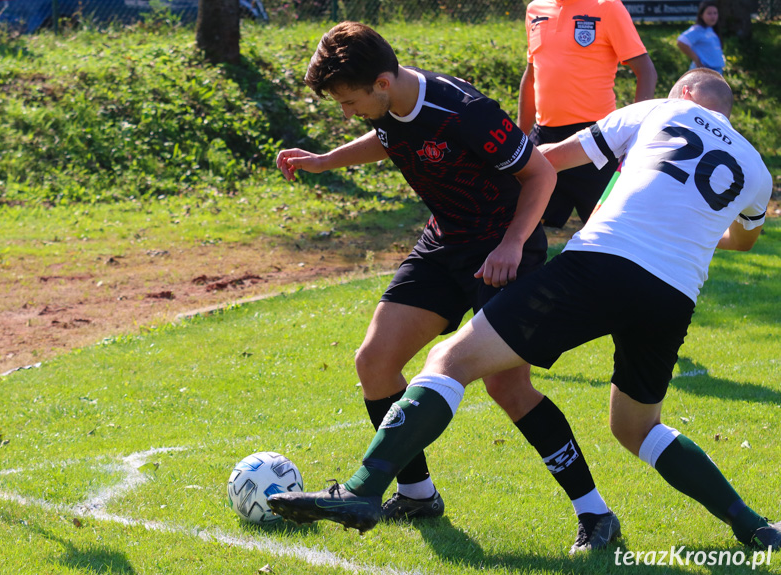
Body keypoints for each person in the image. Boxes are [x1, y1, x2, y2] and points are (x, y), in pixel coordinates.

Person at [268, 69, 781, 552]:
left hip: (602, 266)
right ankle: (754, 528)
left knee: (450, 361)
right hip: (673, 296)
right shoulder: (756, 171)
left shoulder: (659, 111)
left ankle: (362, 487)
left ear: (684, 96)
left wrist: (477, 176)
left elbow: (551, 158)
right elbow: (743, 239)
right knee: (638, 428)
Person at [275, 21, 620, 552]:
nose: (346, 112)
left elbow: (541, 175)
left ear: (383, 82)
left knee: (508, 387)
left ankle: (595, 515)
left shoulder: (464, 110)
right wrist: (325, 160)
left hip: (505, 247)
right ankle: (416, 494)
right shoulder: (390, 105)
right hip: (444, 243)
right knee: (375, 362)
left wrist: (510, 243)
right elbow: (387, 139)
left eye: (349, 101)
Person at [518, 0, 657, 229]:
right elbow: (532, 74)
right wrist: (520, 137)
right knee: (520, 228)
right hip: (544, 138)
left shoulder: (608, 7)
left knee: (609, 233)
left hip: (596, 139)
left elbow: (646, 71)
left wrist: (636, 135)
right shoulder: (535, 9)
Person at [677, 1, 725, 74]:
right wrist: (696, 60)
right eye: (709, 13)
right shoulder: (697, 30)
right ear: (701, 15)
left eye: (715, 13)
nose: (713, 16)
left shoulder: (711, 29)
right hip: (704, 72)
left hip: (716, 71)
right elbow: (681, 42)